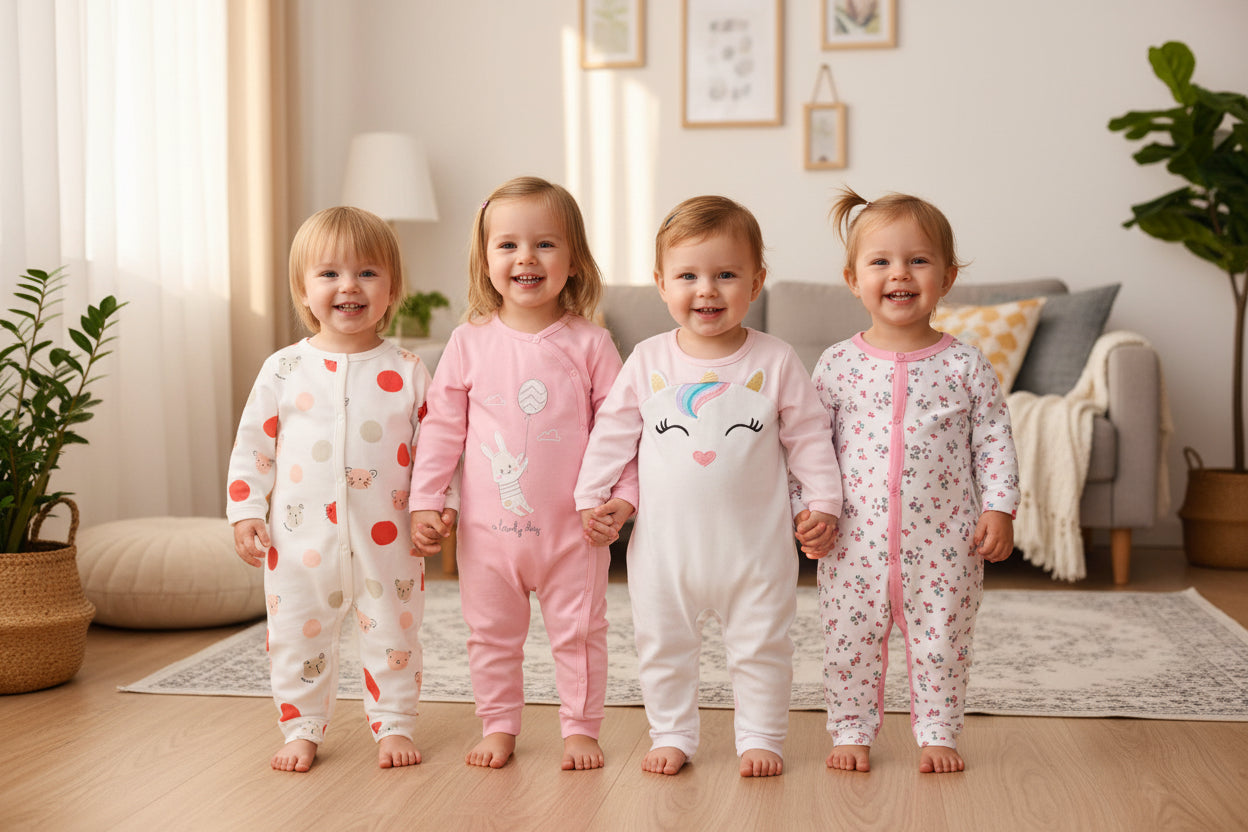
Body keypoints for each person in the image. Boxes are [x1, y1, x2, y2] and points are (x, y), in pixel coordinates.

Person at [574, 195, 842, 778]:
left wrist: (823, 502)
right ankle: (671, 733)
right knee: (663, 646)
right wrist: (593, 498)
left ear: (756, 282)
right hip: (665, 553)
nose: (707, 290)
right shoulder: (648, 360)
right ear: (661, 283)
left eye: (726, 275)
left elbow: (809, 436)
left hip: (756, 551)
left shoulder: (776, 360)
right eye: (688, 276)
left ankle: (761, 736)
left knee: (763, 646)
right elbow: (613, 433)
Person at [408, 176, 636, 771]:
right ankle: (499, 724)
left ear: (574, 260)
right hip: (488, 537)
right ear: (486, 260)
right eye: (508, 245)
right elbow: (441, 429)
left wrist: (624, 498)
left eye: (545, 244)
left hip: (574, 534)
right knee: (490, 636)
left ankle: (580, 729)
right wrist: (426, 500)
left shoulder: (592, 344)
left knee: (580, 634)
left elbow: (622, 431)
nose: (526, 258)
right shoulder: (467, 342)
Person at [228, 206, 443, 773]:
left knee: (395, 631)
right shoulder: (283, 369)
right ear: (303, 289)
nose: (349, 286)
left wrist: (436, 508)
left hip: (388, 539)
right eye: (329, 274)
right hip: (299, 544)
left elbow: (437, 452)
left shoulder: (408, 370)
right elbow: (254, 446)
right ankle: (301, 726)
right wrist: (246, 509)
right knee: (295, 637)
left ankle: (393, 723)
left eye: (368, 273)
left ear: (392, 288)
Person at [813, 187, 1018, 775]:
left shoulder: (965, 364)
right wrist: (810, 508)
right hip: (854, 544)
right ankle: (851, 729)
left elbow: (994, 440)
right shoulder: (836, 365)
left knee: (943, 642)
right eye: (880, 261)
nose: (899, 273)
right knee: (849, 642)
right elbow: (808, 446)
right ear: (853, 279)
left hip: (946, 544)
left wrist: (999, 507)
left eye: (918, 260)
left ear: (947, 277)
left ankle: (938, 732)